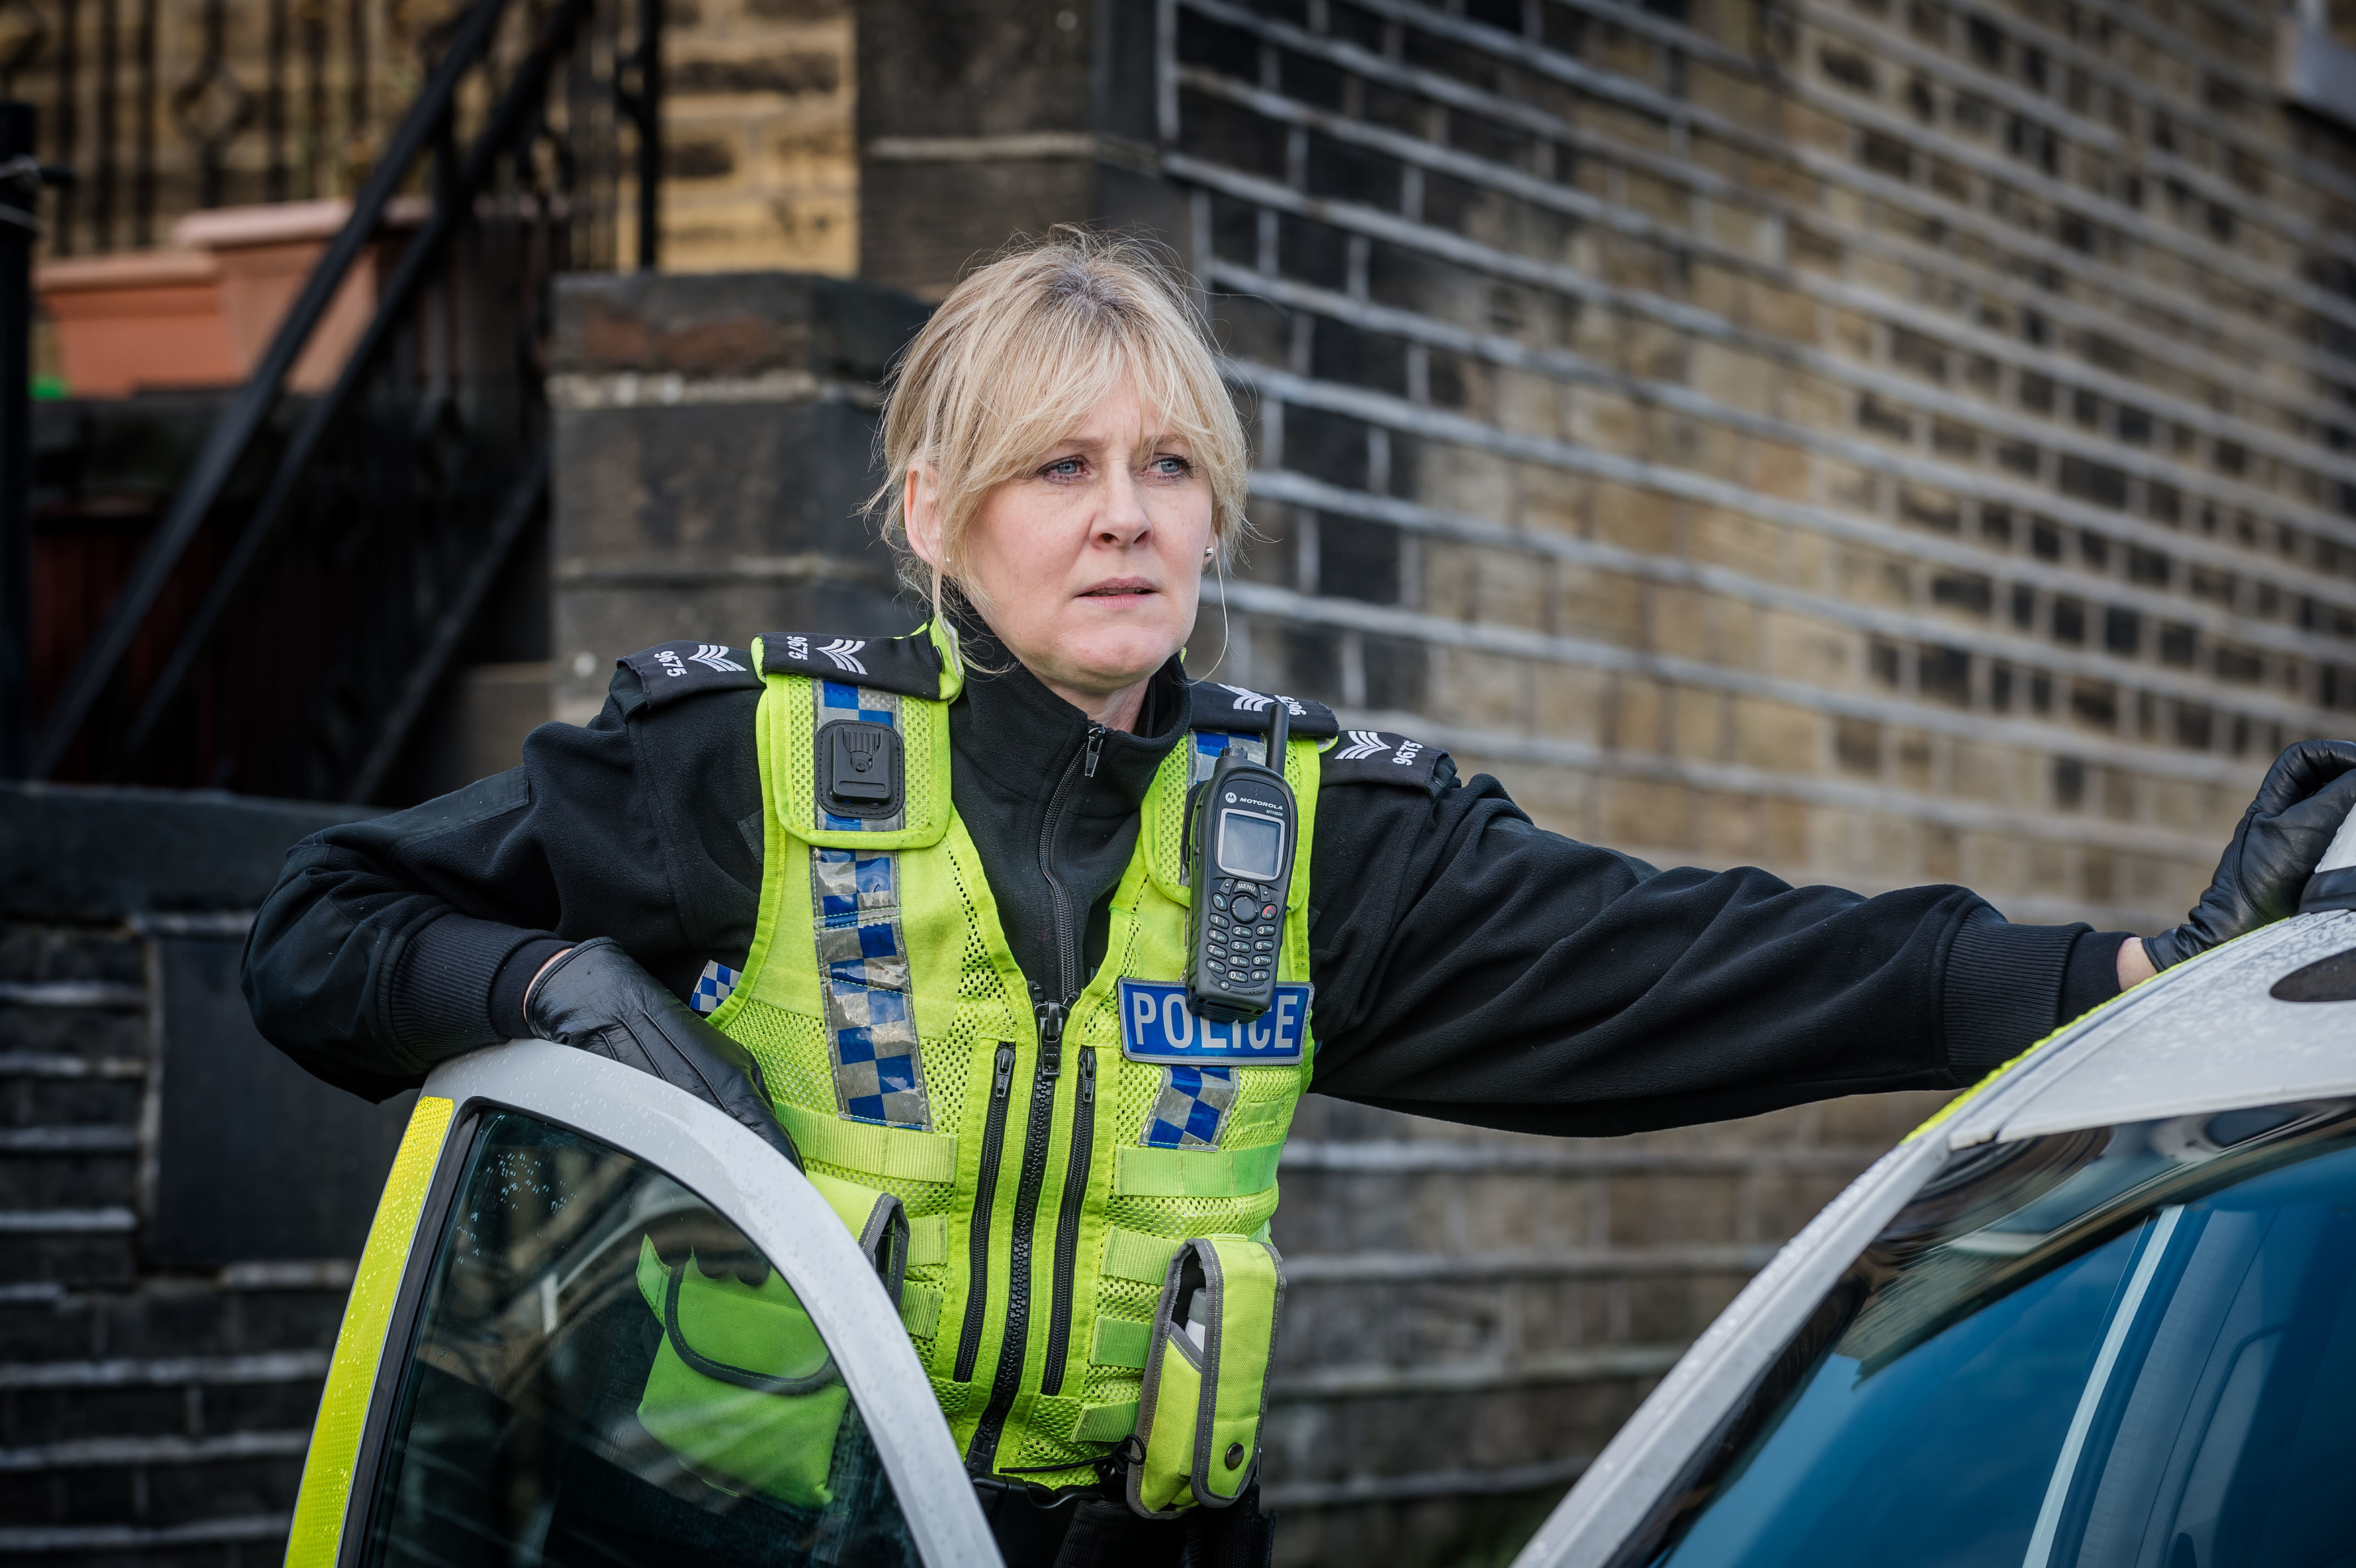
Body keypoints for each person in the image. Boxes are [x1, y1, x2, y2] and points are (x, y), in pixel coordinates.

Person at [244, 232, 2356, 1566]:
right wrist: (547, 988)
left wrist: (2122, 974)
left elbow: (1689, 962)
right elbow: (316, 931)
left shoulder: (1310, 828)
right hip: (756, 1547)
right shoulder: (749, 764)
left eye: (1170, 468)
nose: (1124, 516)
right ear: (931, 510)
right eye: (1059, 468)